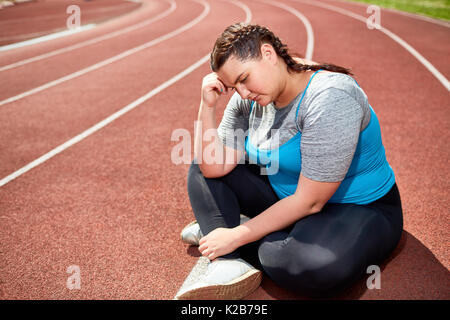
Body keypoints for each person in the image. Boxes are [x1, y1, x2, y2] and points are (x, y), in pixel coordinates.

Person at [175, 23, 403, 300]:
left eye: (244, 78)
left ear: (268, 54)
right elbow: (213, 166)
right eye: (233, 86)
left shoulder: (330, 96)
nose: (243, 93)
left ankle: (223, 228)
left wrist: (235, 235)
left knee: (311, 267)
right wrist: (207, 105)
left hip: (355, 207)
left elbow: (311, 202)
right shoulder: (247, 101)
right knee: (202, 164)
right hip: (285, 198)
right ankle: (229, 262)